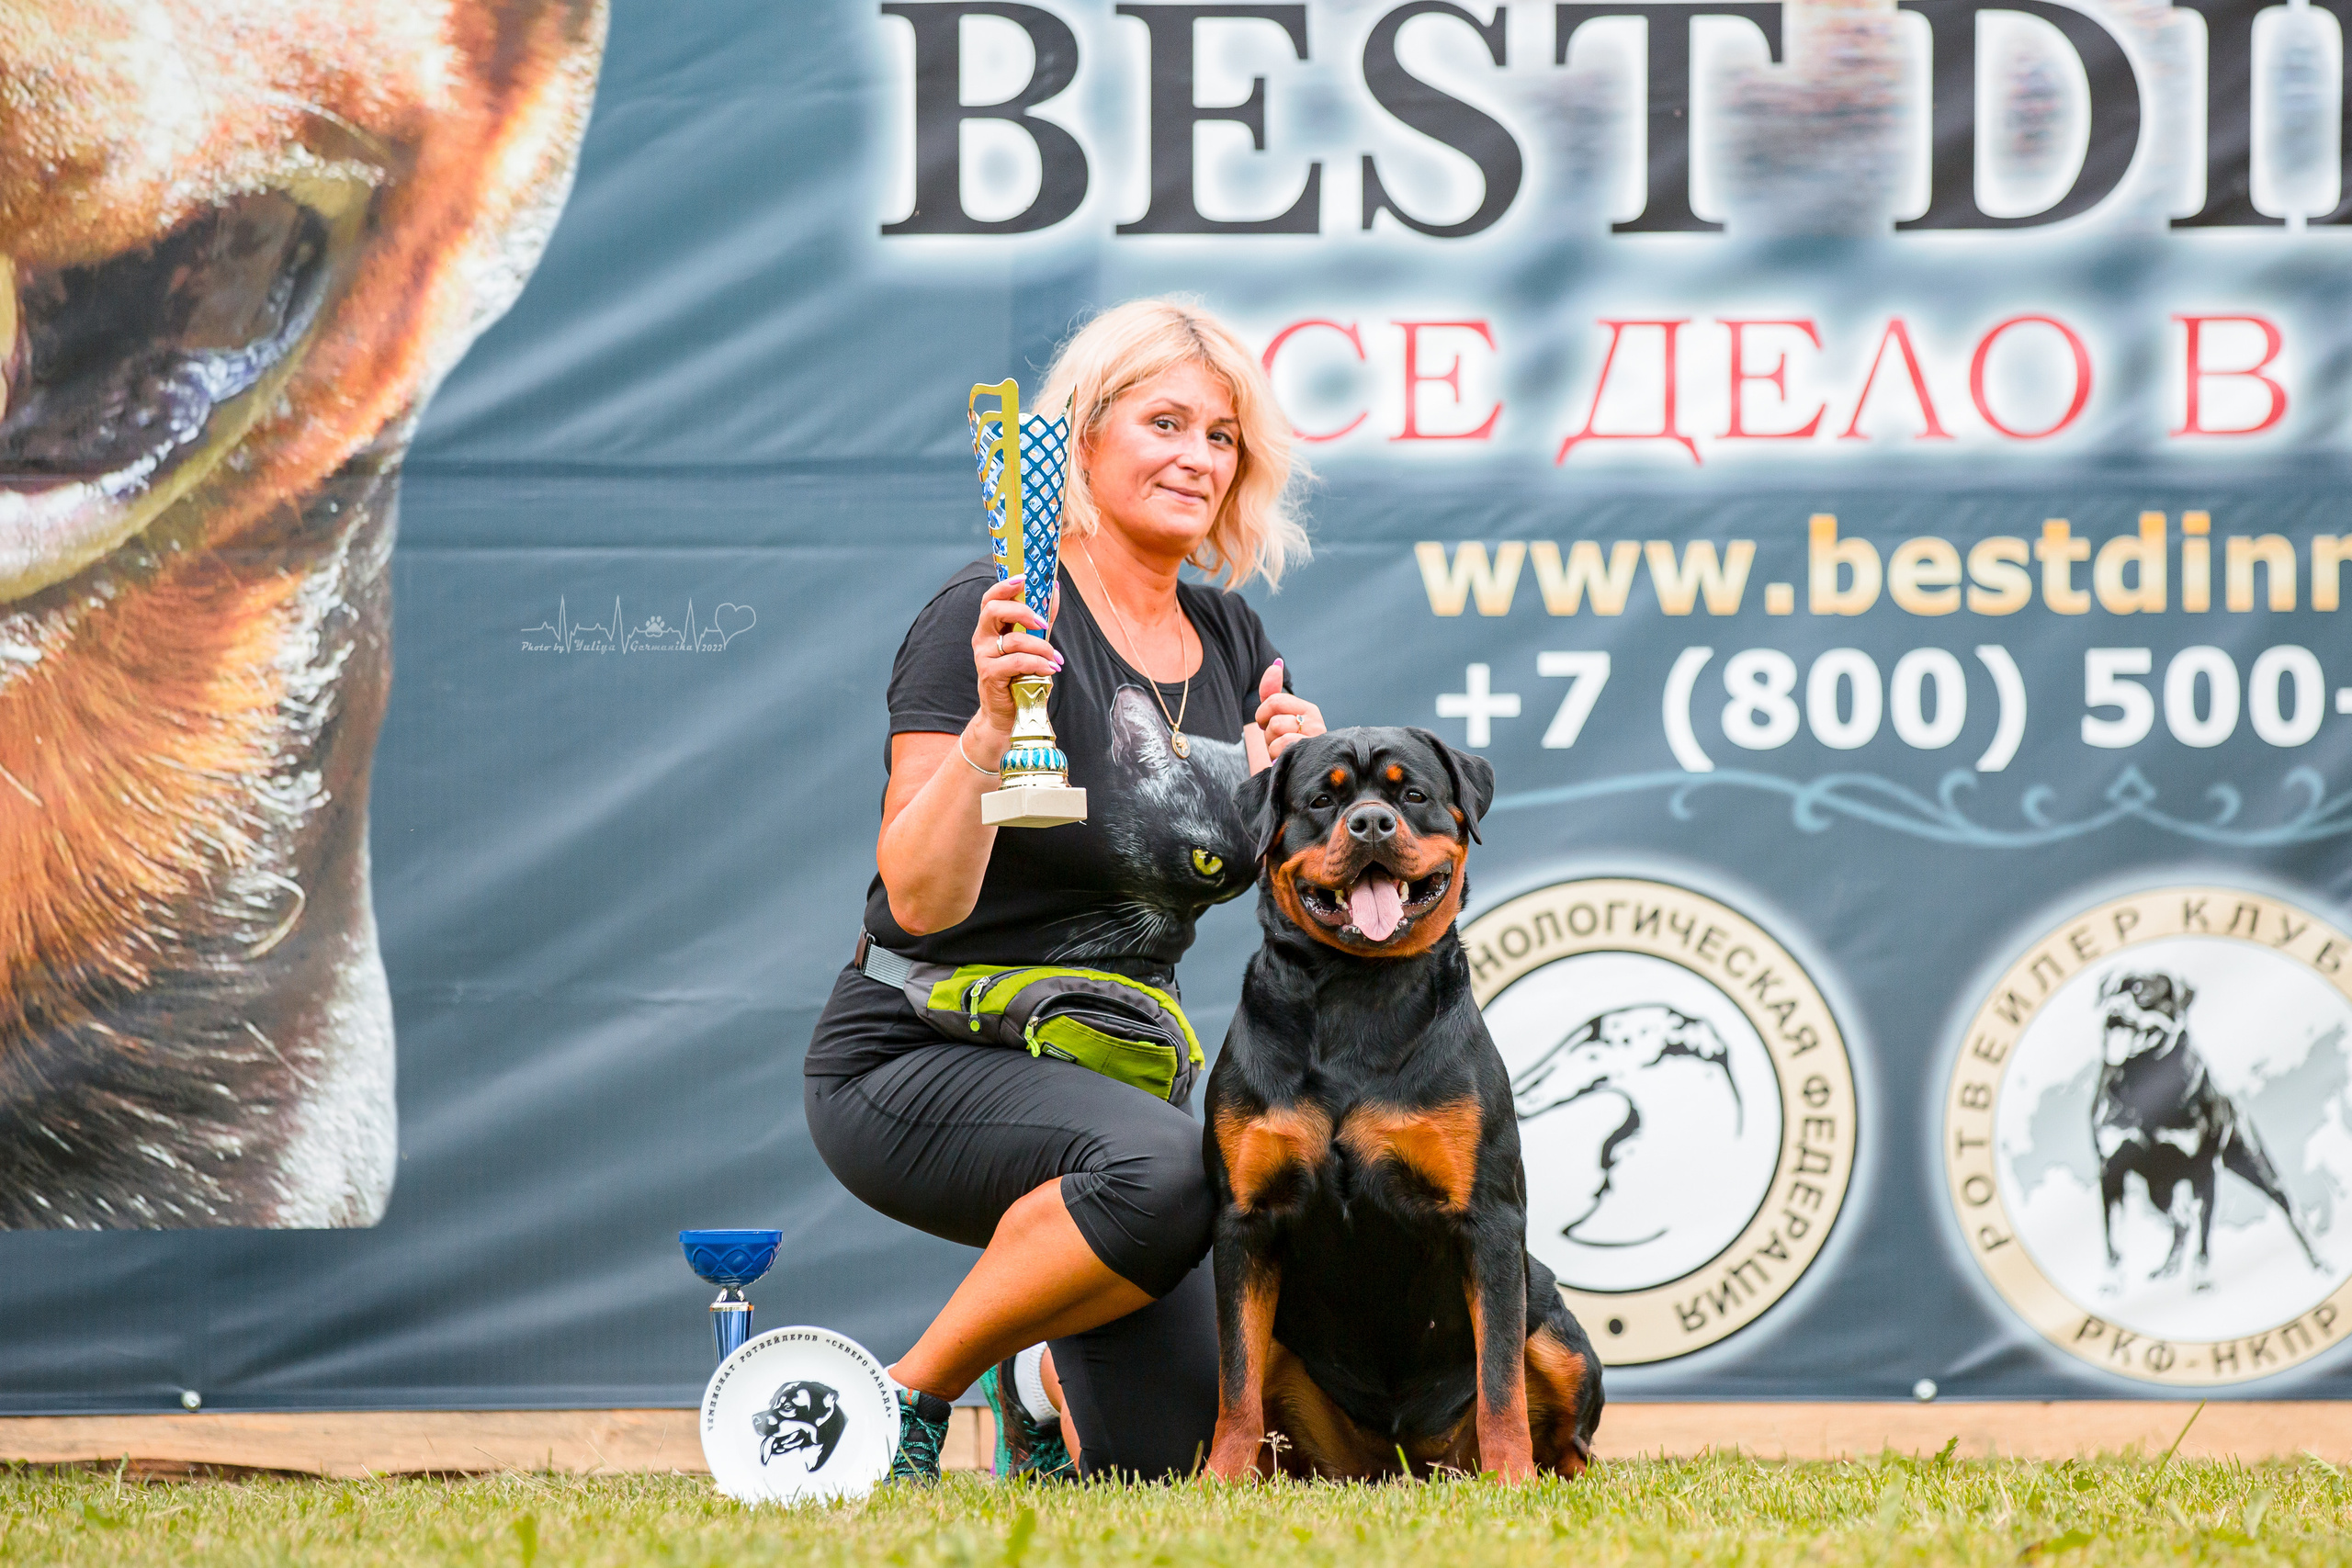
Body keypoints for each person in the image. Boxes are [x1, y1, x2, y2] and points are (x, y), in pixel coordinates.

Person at [800, 298, 1325, 1481]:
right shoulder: (993, 617)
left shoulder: (1234, 637)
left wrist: (1302, 798)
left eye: (1223, 437)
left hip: (1126, 1072)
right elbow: (922, 901)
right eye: (1166, 421)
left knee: (1171, 1460)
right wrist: (992, 729)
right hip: (918, 1049)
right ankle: (905, 1407)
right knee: (1173, 1170)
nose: (1197, 457)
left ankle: (1036, 1381)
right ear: (1079, 439)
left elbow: (1275, 897)